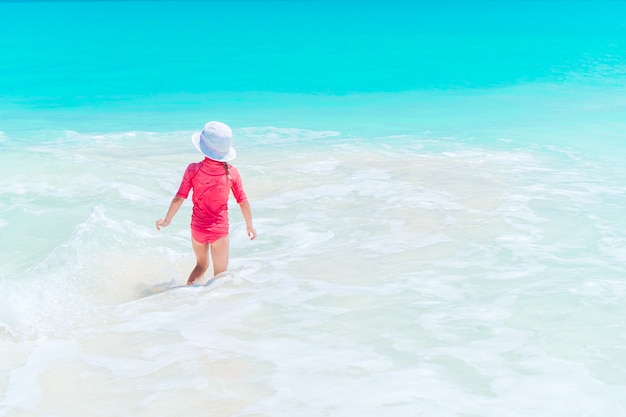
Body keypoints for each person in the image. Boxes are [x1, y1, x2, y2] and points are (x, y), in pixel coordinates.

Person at [156, 121, 256, 285]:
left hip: (198, 229)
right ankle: (215, 307)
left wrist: (167, 220)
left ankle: (186, 295)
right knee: (220, 276)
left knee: (201, 266)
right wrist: (249, 225)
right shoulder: (232, 172)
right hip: (219, 231)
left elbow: (179, 197)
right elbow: (243, 202)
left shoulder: (192, 169)